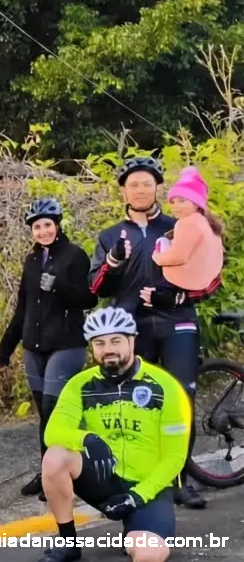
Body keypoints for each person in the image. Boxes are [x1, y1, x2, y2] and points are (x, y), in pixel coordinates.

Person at [88, 156, 218, 509]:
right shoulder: (111, 235)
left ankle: (180, 481)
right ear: (123, 192)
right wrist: (113, 262)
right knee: (135, 404)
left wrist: (178, 294)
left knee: (180, 401)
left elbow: (211, 276)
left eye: (147, 183)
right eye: (134, 184)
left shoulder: (183, 225)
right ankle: (138, 479)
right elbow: (95, 288)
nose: (141, 189)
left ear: (159, 187)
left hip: (178, 322)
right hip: (132, 328)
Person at [36, 307, 190, 562]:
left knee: (150, 554)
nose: (108, 349)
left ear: (132, 340)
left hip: (146, 485)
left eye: (116, 341)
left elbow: (175, 457)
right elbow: (53, 432)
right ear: (92, 347)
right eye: (100, 343)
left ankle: (135, 532)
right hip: (103, 476)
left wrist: (136, 496)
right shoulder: (80, 384)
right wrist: (88, 439)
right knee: (55, 457)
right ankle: (67, 541)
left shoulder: (166, 387)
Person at [0, 198, 97, 500]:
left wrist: (59, 286)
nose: (42, 231)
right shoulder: (31, 261)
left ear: (57, 225)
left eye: (47, 225)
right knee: (44, 414)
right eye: (37, 227)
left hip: (65, 344)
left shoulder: (74, 256)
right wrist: (5, 349)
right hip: (33, 345)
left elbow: (88, 299)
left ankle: (65, 473)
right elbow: (22, 308)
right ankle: (47, 472)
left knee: (55, 411)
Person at [151, 166, 224, 293]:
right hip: (204, 278)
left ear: (196, 204)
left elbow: (178, 257)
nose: (176, 206)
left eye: (182, 201)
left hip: (183, 280)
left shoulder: (187, 223)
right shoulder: (205, 221)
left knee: (161, 243)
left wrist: (157, 257)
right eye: (173, 202)